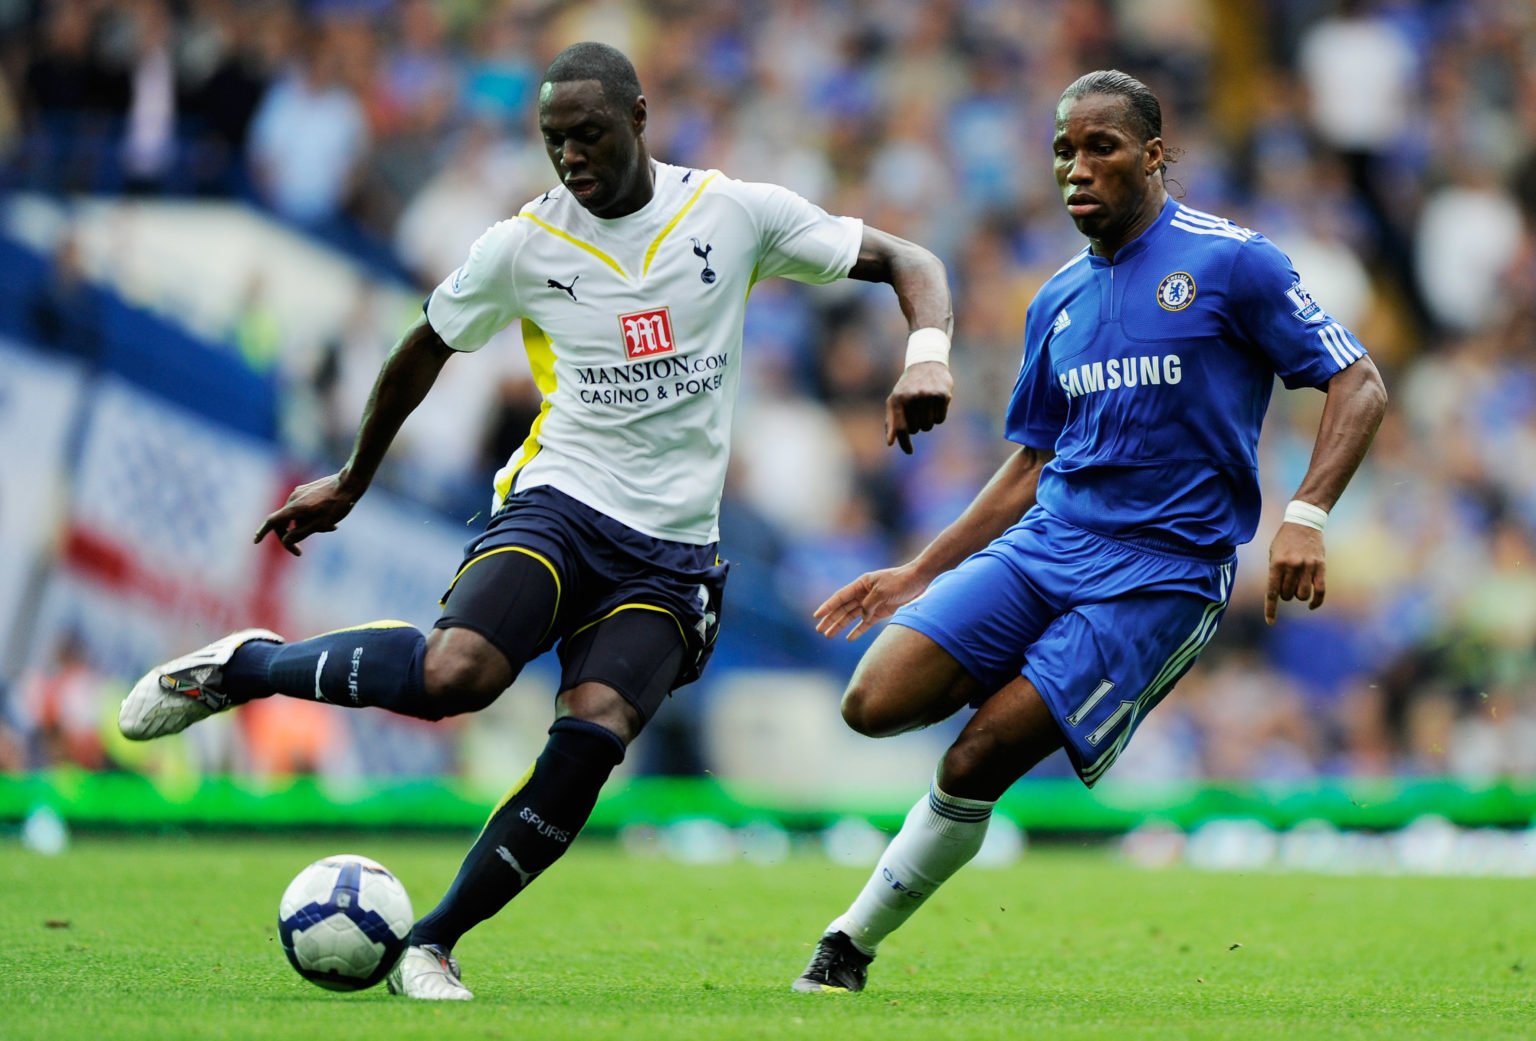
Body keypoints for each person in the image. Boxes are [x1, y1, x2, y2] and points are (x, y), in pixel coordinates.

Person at [117, 42, 954, 1000]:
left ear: (639, 117)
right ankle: (240, 667)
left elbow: (907, 257)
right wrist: (351, 477)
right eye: (554, 140)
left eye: (589, 134)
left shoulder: (731, 211)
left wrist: (925, 351)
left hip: (674, 553)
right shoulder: (525, 243)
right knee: (456, 674)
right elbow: (423, 348)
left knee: (592, 736)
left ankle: (430, 942)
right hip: (561, 502)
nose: (572, 157)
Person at [791, 70, 1386, 994]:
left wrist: (1304, 514)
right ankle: (1008, 683)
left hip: (1163, 571)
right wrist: (918, 571)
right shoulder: (1056, 300)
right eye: (1064, 150)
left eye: (1100, 146)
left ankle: (848, 944)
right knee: (871, 702)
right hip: (1049, 544)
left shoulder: (1234, 263)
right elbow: (1030, 464)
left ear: (1154, 155)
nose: (1077, 167)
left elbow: (1359, 381)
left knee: (978, 753)